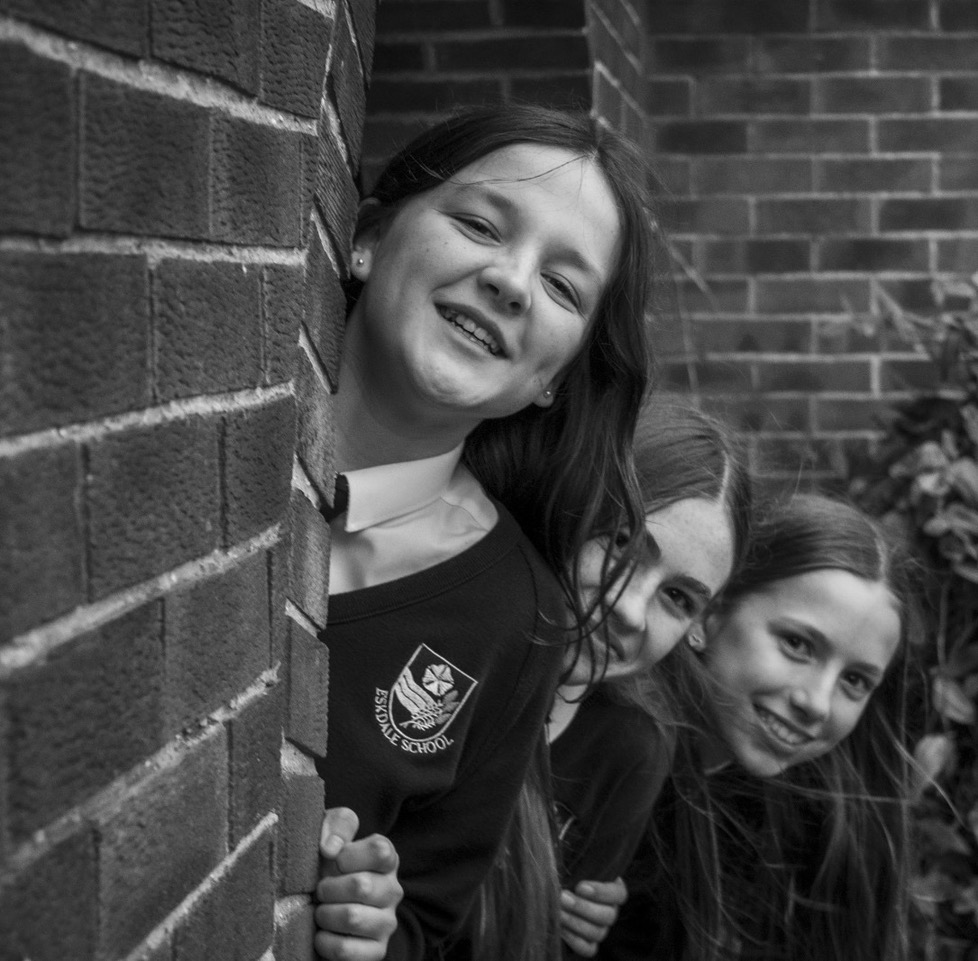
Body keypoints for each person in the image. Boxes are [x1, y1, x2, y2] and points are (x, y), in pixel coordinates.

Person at [308, 103, 665, 961]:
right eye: (478, 224)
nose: (511, 280)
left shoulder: (519, 616)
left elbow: (429, 925)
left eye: (562, 285)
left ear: (554, 375)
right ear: (367, 239)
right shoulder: (204, 406)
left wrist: (366, 926)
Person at [447, 404, 753, 961]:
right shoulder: (438, 658)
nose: (633, 612)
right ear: (569, 503)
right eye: (620, 544)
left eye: (678, 598)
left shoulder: (630, 748)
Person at [599, 493, 923, 961]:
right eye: (797, 644)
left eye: (855, 681)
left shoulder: (819, 829)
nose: (816, 702)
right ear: (710, 613)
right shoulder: (598, 759)